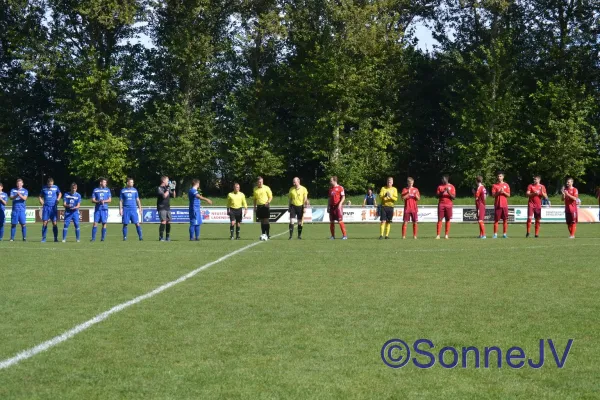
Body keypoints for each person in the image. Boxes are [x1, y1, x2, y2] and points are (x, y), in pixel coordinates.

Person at [38, 177, 62, 242]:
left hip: (53, 207)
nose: (50, 186)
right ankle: (43, 238)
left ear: (53, 183)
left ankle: (55, 238)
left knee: (54, 223)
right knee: (45, 222)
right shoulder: (44, 188)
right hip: (46, 207)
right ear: (47, 183)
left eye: (51, 184)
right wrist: (40, 200)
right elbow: (40, 196)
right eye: (49, 184)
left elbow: (60, 193)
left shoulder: (56, 187)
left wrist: (58, 199)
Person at [91, 177, 111, 242]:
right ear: (101, 183)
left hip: (104, 209)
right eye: (104, 182)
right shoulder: (95, 190)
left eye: (106, 182)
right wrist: (98, 201)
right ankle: (93, 238)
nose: (106, 183)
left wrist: (104, 201)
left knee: (104, 223)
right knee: (95, 223)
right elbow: (93, 200)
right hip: (97, 209)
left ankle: (102, 238)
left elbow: (110, 200)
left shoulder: (107, 190)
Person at [491, 171, 511, 238]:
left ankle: (504, 234)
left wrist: (504, 192)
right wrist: (499, 192)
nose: (499, 177)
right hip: (497, 204)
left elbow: (508, 195)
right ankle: (495, 234)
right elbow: (493, 195)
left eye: (500, 176)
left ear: (503, 177)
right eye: (498, 176)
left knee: (505, 220)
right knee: (496, 220)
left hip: (504, 205)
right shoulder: (494, 185)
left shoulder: (506, 185)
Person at [436, 174, 455, 239]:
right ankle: (438, 235)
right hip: (441, 204)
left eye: (443, 179)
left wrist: (448, 191)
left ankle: (446, 235)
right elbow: (437, 196)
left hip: (449, 205)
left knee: (448, 219)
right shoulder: (440, 186)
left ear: (446, 179)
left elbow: (454, 197)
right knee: (439, 219)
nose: (442, 180)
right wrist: (443, 192)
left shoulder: (451, 186)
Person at [157, 176, 172, 241]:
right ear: (163, 181)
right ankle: (161, 237)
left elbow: (174, 195)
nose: (168, 182)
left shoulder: (167, 188)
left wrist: (173, 189)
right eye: (167, 180)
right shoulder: (159, 188)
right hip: (161, 207)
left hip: (167, 207)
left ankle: (167, 237)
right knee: (163, 221)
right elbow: (164, 196)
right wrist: (168, 189)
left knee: (168, 222)